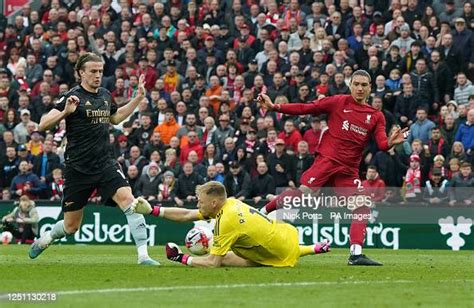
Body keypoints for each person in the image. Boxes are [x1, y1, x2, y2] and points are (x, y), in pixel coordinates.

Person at [257, 70, 407, 266]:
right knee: (303, 193)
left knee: (362, 207)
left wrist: (391, 142)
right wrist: (275, 106)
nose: (360, 88)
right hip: (327, 161)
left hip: (348, 170)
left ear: (370, 88)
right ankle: (262, 212)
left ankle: (355, 254)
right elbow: (305, 108)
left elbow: (381, 144)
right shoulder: (338, 102)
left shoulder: (376, 116)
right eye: (357, 84)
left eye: (364, 85)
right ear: (351, 85)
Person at [28, 53, 159, 265]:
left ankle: (144, 256)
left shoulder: (105, 95)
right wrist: (65, 113)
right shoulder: (72, 97)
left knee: (130, 201)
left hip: (105, 163)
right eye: (93, 71)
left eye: (100, 71)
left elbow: (115, 117)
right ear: (81, 73)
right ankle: (46, 238)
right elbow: (42, 125)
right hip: (78, 168)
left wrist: (138, 97)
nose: (98, 75)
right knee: (71, 227)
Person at [131, 181, 330, 267]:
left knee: (223, 258)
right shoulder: (231, 203)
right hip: (286, 236)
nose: (198, 203)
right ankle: (314, 248)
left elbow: (212, 263)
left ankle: (312, 248)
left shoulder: (226, 221)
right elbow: (186, 214)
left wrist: (181, 258)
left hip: (277, 253)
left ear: (214, 202)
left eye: (200, 201)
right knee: (245, 247)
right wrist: (152, 211)